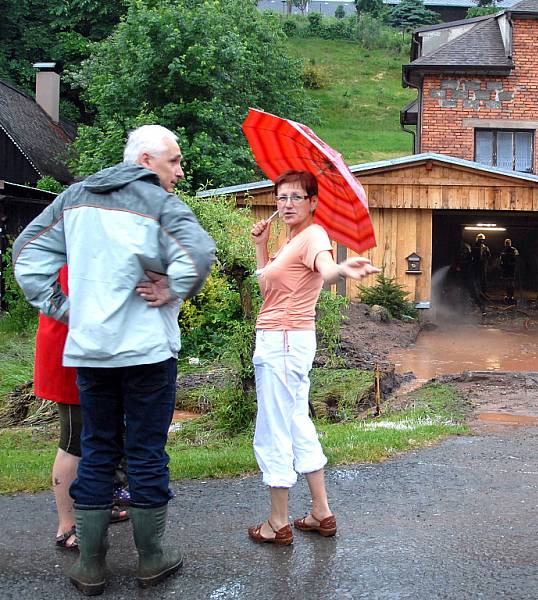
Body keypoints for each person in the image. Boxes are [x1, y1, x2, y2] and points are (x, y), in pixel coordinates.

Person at [13, 124, 216, 595]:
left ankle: (90, 566)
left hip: (91, 353)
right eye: (174, 162)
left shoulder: (74, 198)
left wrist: (67, 310)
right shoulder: (161, 205)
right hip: (147, 354)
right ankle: (151, 559)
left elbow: (26, 256)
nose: (180, 173)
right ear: (146, 160)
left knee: (98, 448)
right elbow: (201, 251)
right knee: (145, 451)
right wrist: (170, 287)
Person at [247, 169, 379, 546]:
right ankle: (321, 511)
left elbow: (327, 268)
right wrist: (261, 246)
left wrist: (341, 269)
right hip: (286, 340)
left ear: (313, 203)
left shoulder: (312, 237)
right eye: (281, 197)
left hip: (283, 342)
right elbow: (267, 289)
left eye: (296, 198)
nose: (287, 204)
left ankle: (277, 522)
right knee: (296, 421)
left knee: (274, 428)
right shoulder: (289, 241)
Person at [36, 266, 129, 551]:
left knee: (102, 433)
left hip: (87, 350)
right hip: (70, 352)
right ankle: (67, 525)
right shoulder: (71, 248)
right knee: (74, 440)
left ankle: (99, 506)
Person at [499, 238, 519, 305]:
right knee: (508, 283)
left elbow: (517, 258)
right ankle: (508, 296)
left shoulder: (513, 250)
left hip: (511, 269)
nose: (507, 244)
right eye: (506, 243)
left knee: (510, 283)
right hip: (506, 269)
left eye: (508, 243)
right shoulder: (504, 250)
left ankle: (511, 296)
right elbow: (501, 259)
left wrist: (513, 264)